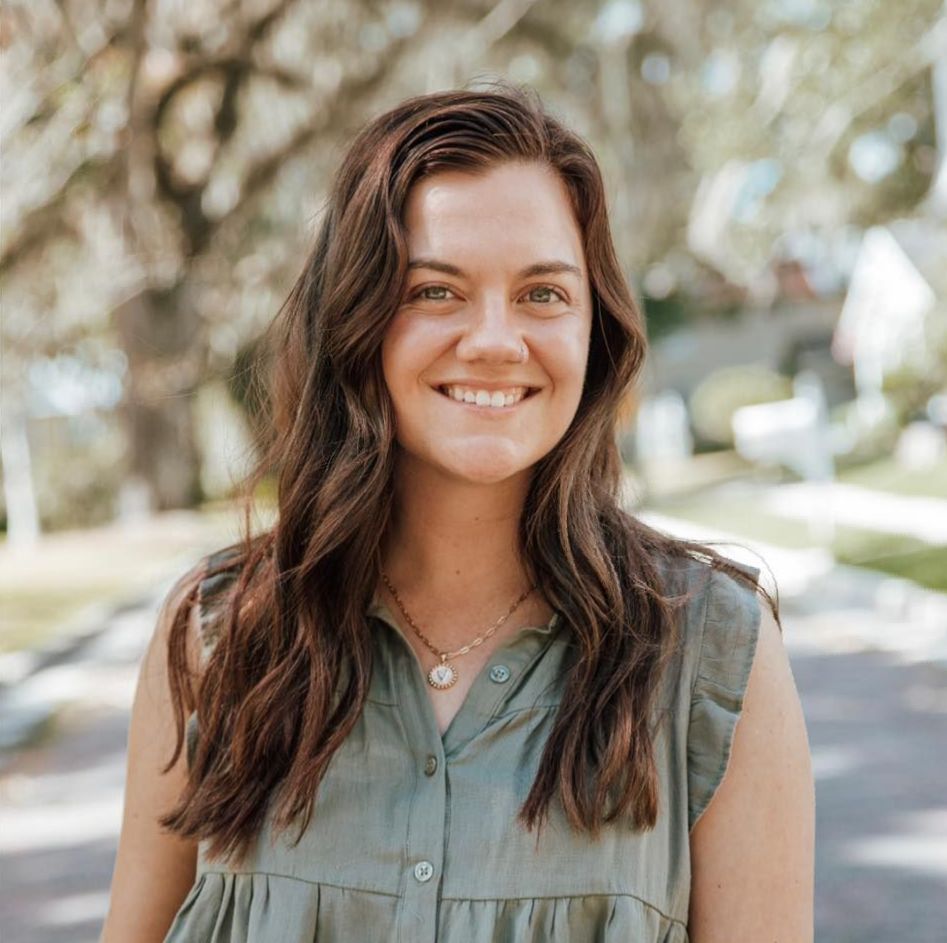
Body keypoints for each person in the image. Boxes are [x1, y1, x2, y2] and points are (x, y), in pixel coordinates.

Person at [101, 83, 814, 942]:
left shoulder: (715, 651)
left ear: (597, 333)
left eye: (542, 294)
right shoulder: (218, 636)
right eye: (435, 290)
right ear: (353, 320)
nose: (493, 339)